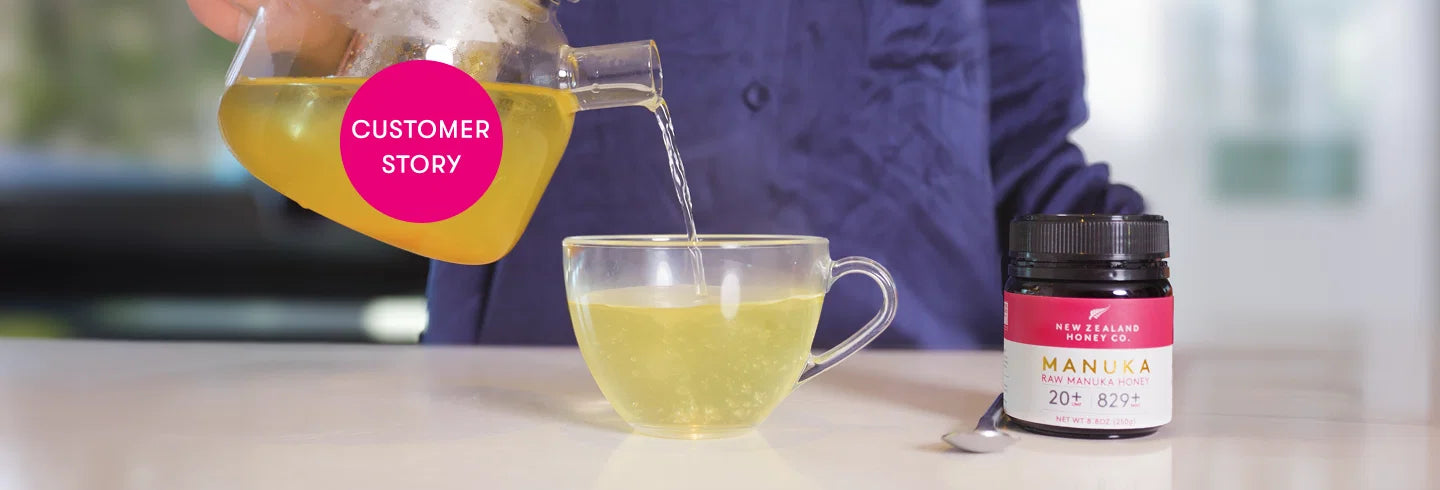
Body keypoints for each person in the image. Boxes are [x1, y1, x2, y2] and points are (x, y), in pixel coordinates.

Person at [189, 0, 1144, 349]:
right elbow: (405, 130)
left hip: (915, 440)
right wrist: (338, 47)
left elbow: (1022, 158)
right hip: (535, 423)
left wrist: (1125, 305)